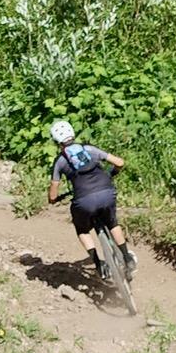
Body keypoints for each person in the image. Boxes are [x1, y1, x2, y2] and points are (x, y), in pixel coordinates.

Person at [46, 118, 137, 280]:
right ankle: (127, 257)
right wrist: (113, 173)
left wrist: (54, 199)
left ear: (56, 142)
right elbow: (120, 162)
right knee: (112, 223)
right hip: (107, 192)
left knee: (82, 229)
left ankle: (99, 264)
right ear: (73, 134)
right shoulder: (89, 149)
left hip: (83, 201)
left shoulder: (60, 161)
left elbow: (53, 194)